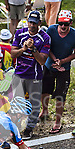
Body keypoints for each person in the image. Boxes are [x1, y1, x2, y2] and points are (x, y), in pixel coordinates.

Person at [11, 10, 50, 139]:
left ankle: (29, 128)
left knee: (34, 104)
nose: (32, 25)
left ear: (40, 23)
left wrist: (33, 49)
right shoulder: (19, 33)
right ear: (27, 22)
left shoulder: (45, 37)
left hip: (35, 76)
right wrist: (23, 49)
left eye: (35, 23)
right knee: (17, 102)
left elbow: (42, 60)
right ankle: (16, 127)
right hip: (19, 74)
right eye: (30, 22)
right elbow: (13, 53)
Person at [40, 10, 75, 134]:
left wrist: (62, 62)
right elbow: (47, 47)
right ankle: (44, 110)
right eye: (61, 23)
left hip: (64, 68)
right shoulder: (51, 30)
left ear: (71, 23)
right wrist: (54, 60)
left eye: (66, 24)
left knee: (60, 95)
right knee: (44, 90)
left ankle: (58, 121)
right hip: (49, 65)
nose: (63, 26)